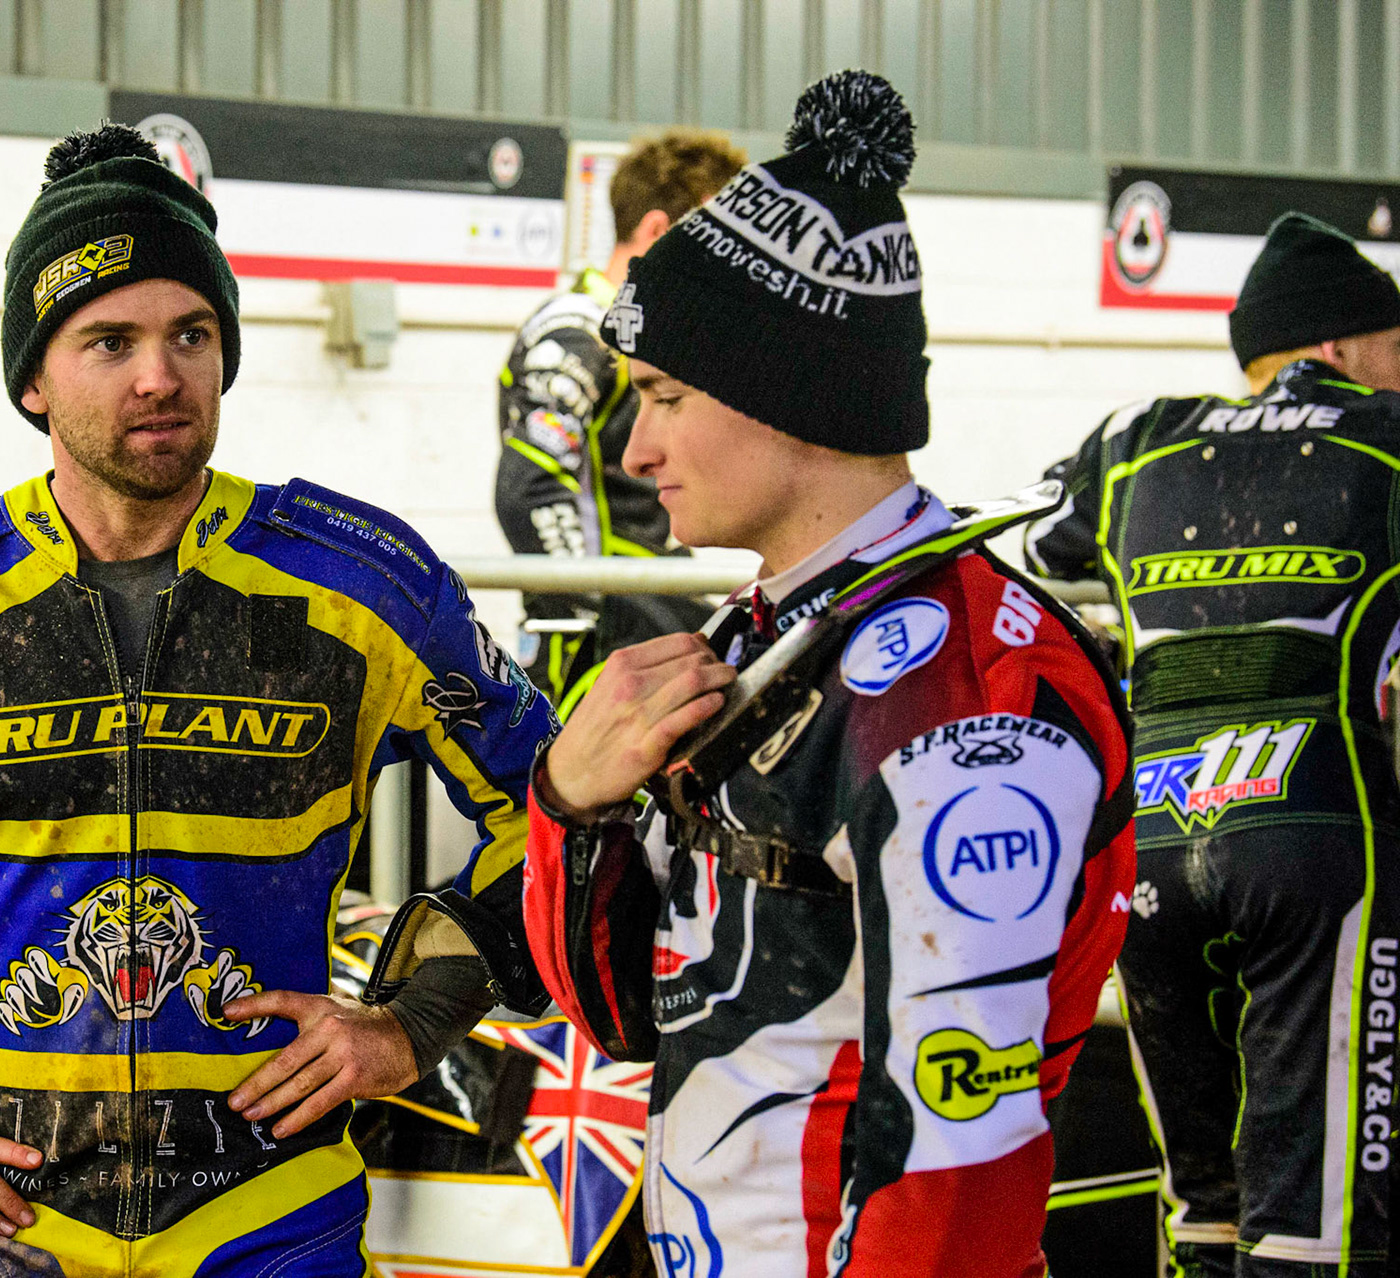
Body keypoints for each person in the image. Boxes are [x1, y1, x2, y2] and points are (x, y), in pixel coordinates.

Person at [0, 123, 555, 1277]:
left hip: (273, 1218)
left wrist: (409, 1023)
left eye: (191, 333)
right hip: (1, 1225)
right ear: (34, 381)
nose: (160, 375)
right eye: (110, 341)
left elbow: (552, 805)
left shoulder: (361, 585)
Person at [521, 72, 1136, 1276]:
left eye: (664, 397)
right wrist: (570, 800)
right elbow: (612, 1015)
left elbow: (963, 1151)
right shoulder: (763, 636)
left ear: (792, 401)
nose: (637, 449)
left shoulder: (966, 691)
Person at [1026, 211, 1400, 1277]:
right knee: (1319, 1220)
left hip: (1151, 846)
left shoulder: (1139, 438)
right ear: (1335, 348)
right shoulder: (1387, 431)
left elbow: (1036, 543)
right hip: (1314, 838)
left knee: (1203, 1206)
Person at [495, 128, 746, 715]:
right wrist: (579, 618)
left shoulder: (647, 335)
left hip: (654, 604)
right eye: (717, 243)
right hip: (603, 637)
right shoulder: (578, 329)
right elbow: (528, 485)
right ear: (657, 231)